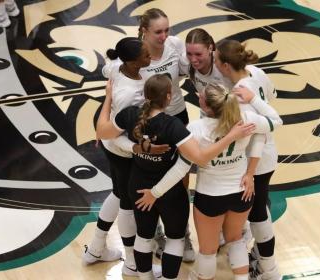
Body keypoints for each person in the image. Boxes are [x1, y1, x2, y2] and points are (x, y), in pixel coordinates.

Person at [96, 73, 256, 280]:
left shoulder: (129, 115)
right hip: (170, 191)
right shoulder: (175, 126)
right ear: (169, 97)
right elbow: (196, 159)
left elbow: (106, 135)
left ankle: (144, 278)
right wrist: (233, 139)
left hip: (138, 186)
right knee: (175, 239)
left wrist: (136, 146)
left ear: (145, 94)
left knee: (143, 236)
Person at [136, 82, 282, 280]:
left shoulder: (195, 129)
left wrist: (155, 193)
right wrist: (254, 99)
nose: (197, 94)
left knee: (208, 250)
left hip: (210, 197)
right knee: (236, 240)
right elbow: (275, 121)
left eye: (200, 95)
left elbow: (181, 168)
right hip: (241, 191)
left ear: (205, 106)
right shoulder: (245, 119)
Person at [82, 37, 166, 277]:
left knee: (119, 194)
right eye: (145, 55)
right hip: (122, 149)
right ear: (131, 62)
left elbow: (106, 67)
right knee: (128, 204)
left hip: (112, 146)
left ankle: (96, 248)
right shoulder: (127, 95)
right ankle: (132, 263)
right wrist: (135, 149)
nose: (150, 57)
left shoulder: (118, 66)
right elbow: (117, 131)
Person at [215, 39, 282, 280]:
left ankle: (270, 270)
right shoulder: (256, 71)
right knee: (260, 206)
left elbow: (259, 134)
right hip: (268, 157)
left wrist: (250, 173)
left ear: (224, 65)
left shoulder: (240, 96)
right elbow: (272, 95)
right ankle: (262, 260)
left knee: (257, 214)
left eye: (216, 60)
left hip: (256, 160)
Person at [137, 7, 195, 261]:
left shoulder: (175, 44)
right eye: (158, 32)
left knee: (183, 174)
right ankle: (156, 231)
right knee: (148, 173)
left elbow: (186, 71)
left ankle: (182, 232)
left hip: (177, 115)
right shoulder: (135, 54)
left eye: (166, 30)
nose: (164, 36)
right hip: (147, 121)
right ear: (144, 31)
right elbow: (114, 73)